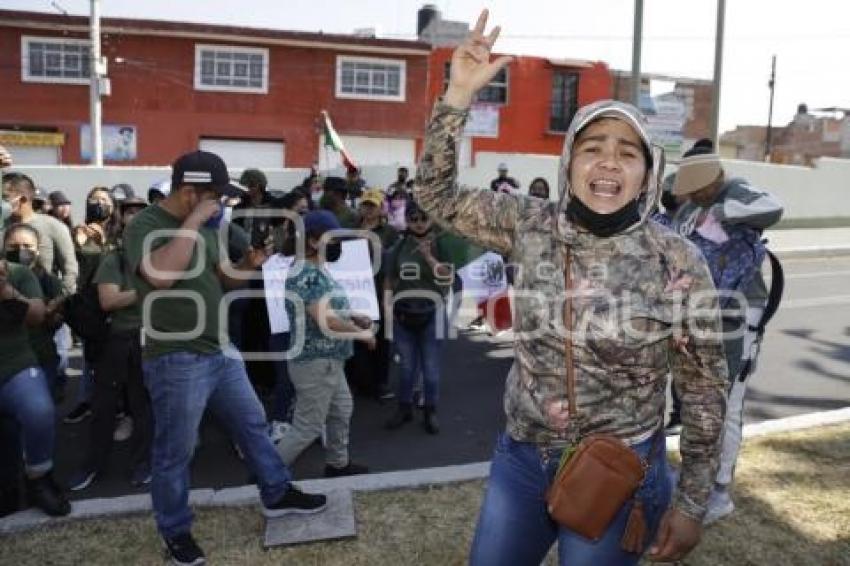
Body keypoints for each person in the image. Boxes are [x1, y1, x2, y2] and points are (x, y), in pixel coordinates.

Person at [415, 11, 727, 565]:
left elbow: (703, 388)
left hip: (618, 469)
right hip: (521, 461)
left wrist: (693, 503)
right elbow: (435, 196)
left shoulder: (676, 258)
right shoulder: (527, 223)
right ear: (569, 162)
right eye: (593, 146)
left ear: (646, 173)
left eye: (627, 152)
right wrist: (457, 95)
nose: (609, 160)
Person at [122, 150, 327, 565]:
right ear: (189, 191)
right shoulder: (145, 225)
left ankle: (276, 491)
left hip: (220, 349)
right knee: (174, 451)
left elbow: (220, 277)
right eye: (217, 196)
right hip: (175, 356)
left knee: (252, 424)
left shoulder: (212, 228)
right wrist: (195, 221)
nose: (224, 205)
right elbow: (160, 277)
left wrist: (250, 264)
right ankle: (175, 532)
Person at [671, 148, 783, 525]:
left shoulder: (735, 192)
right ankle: (697, 486)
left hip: (740, 312)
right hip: (701, 314)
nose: (688, 198)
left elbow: (773, 207)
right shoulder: (686, 208)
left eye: (696, 192)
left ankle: (720, 493)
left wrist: (720, 212)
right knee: (697, 400)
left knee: (729, 402)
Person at [274, 210, 372, 477]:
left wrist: (352, 315)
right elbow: (323, 318)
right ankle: (267, 474)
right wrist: (360, 333)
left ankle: (337, 465)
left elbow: (328, 306)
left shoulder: (317, 269)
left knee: (342, 409)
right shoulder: (306, 272)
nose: (336, 244)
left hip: (330, 360)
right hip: (315, 362)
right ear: (314, 241)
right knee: (307, 426)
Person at [68, 196, 153, 492]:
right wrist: (147, 289)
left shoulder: (161, 259)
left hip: (149, 341)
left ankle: (143, 463)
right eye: (131, 217)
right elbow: (108, 300)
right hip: (116, 339)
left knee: (143, 405)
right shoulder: (113, 259)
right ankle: (92, 465)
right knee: (104, 406)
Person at [0, 242, 71, 517]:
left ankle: (39, 479)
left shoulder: (17, 274)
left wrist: (7, 292)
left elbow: (38, 315)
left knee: (38, 410)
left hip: (15, 366)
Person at [383, 203, 452, 434]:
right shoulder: (399, 246)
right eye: (414, 218)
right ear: (407, 221)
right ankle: (404, 408)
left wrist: (429, 257)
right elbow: (389, 280)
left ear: (431, 219)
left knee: (430, 368)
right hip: (403, 312)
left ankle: (430, 411)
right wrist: (387, 309)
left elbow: (448, 277)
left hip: (433, 312)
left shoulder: (441, 244)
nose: (419, 222)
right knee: (406, 367)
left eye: (424, 217)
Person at [346, 189, 399, 399]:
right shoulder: (351, 230)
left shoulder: (390, 232)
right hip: (355, 292)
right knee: (356, 338)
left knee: (381, 340)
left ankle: (381, 383)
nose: (368, 209)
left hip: (379, 290)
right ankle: (360, 382)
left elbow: (393, 260)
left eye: (372, 205)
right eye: (365, 205)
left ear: (381, 209)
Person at [4, 224, 65, 398]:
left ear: (37, 250)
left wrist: (51, 312)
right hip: (10, 362)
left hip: (42, 357)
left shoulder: (49, 282)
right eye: (14, 247)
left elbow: (57, 323)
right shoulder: (3, 279)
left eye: (28, 246)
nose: (21, 251)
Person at [2, 173, 79, 294]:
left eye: (5, 198)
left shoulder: (53, 226)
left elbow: (70, 269)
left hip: (46, 301)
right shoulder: (2, 226)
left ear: (22, 199)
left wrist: (59, 300)